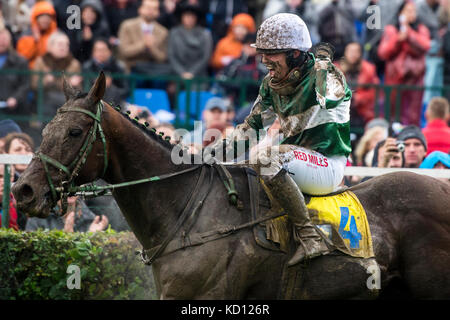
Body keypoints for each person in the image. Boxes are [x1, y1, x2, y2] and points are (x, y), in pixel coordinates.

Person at [216, 13, 352, 265]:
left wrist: (322, 63)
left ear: (296, 54)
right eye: (262, 53)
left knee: (266, 157)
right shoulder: (270, 83)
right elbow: (251, 129)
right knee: (242, 166)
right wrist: (209, 156)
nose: (264, 60)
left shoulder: (328, 74)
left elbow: (330, 98)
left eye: (272, 53)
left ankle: (310, 236)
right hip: (295, 162)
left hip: (327, 165)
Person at [377, 0, 431, 125]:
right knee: (392, 115)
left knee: (412, 116)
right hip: (394, 80)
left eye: (413, 11)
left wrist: (409, 33)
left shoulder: (421, 29)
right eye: (408, 11)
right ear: (400, 12)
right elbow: (383, 52)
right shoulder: (391, 30)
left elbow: (425, 45)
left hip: (415, 80)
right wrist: (398, 40)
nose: (411, 14)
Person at [31, 31, 82, 119]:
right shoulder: (41, 62)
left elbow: (80, 90)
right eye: (60, 44)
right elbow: (34, 85)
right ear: (50, 46)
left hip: (67, 103)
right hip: (45, 101)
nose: (64, 47)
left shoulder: (74, 63)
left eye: (67, 45)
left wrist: (75, 85)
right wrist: (45, 81)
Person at [118, 0, 170, 74]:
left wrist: (152, 48)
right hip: (132, 67)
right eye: (148, 8)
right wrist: (143, 44)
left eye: (154, 9)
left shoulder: (163, 32)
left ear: (158, 12)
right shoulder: (127, 26)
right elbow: (124, 52)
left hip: (155, 70)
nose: (151, 11)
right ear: (140, 9)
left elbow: (163, 58)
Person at [335, 42, 380, 127]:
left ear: (360, 53)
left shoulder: (369, 69)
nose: (353, 54)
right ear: (345, 52)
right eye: (350, 51)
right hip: (340, 111)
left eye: (356, 51)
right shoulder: (336, 69)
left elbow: (375, 91)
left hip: (362, 112)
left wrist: (360, 98)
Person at [216, 32, 268, 105]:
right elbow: (221, 78)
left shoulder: (264, 64)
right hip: (235, 101)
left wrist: (250, 85)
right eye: (247, 44)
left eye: (252, 45)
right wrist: (237, 85)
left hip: (257, 102)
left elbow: (268, 84)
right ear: (243, 46)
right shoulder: (235, 63)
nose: (250, 48)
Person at [168, 4, 213, 80]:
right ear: (181, 17)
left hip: (198, 76)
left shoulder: (205, 34)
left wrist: (192, 73)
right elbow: (171, 55)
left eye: (192, 16)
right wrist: (182, 73)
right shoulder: (174, 33)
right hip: (177, 75)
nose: (190, 19)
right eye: (187, 16)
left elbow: (205, 57)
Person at [82, 38, 129, 105]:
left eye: (103, 50)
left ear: (110, 51)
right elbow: (85, 90)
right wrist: (97, 85)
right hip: (93, 104)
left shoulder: (118, 67)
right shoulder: (87, 67)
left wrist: (110, 87)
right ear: (93, 52)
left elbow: (125, 90)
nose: (100, 53)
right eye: (97, 50)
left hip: (115, 103)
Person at [25, 196, 109, 232]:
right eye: (64, 183)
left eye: (75, 183)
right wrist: (65, 239)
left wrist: (92, 237)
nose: (69, 188)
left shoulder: (92, 220)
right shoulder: (38, 218)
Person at [16, 1, 58, 68]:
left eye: (48, 17)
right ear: (36, 18)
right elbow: (22, 58)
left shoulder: (56, 35)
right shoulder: (26, 35)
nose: (45, 20)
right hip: (31, 71)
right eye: (42, 17)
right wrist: (35, 41)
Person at [0, 28, 31, 117]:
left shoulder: (20, 61)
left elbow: (25, 84)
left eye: (4, 39)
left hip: (15, 110)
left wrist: (15, 98)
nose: (2, 42)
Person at [0, 164, 19, 230]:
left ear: (13, 178)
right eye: (0, 176)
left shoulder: (18, 205)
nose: (4, 181)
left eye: (8, 177)